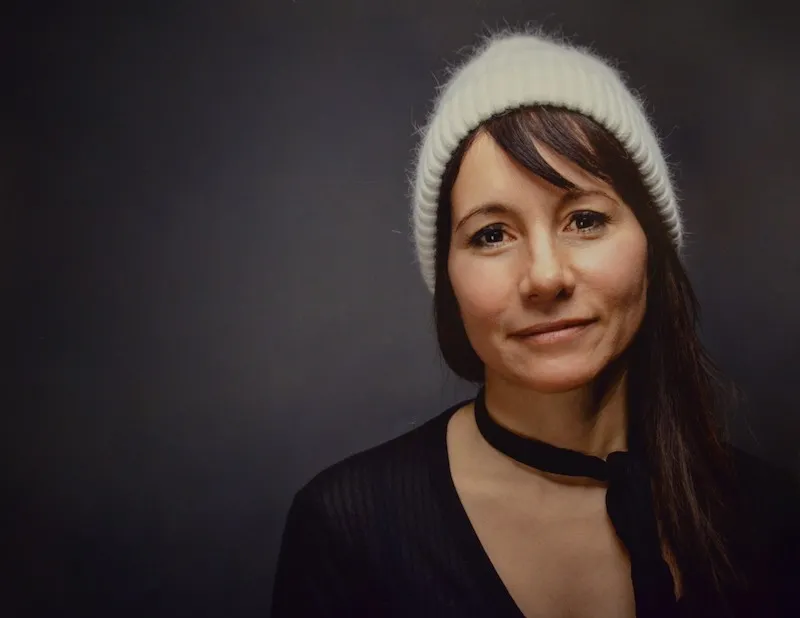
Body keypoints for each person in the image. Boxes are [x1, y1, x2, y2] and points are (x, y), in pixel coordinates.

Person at [270, 29, 800, 618]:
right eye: (491, 234)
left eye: (586, 219)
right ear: (448, 278)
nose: (546, 277)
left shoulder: (772, 519)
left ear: (651, 246)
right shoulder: (350, 529)